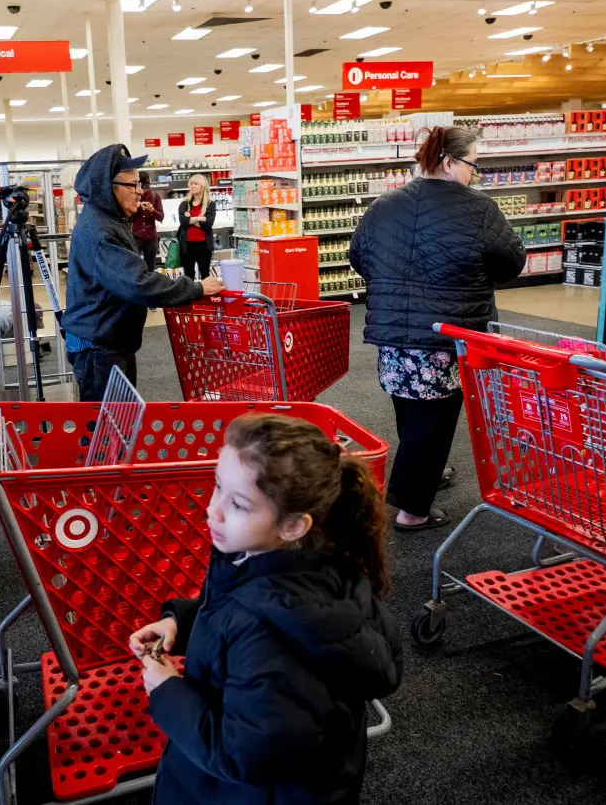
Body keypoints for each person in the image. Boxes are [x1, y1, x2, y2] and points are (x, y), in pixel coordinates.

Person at [129, 414, 402, 804]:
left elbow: (242, 755)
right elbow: (230, 609)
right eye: (217, 487)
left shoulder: (274, 639)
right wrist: (179, 622)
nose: (214, 511)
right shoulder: (278, 557)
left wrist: (168, 692)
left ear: (293, 526)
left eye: (238, 503)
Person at [349, 125, 525, 531]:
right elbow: (512, 262)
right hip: (446, 332)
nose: (474, 175)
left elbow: (358, 255)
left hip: (394, 331)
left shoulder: (385, 204)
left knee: (409, 407)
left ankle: (426, 475)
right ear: (448, 162)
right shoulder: (478, 208)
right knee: (435, 415)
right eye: (472, 166)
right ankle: (412, 510)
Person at [62, 144, 222, 400]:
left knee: (119, 421)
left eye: (140, 185)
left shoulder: (109, 219)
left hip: (107, 337)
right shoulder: (101, 231)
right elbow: (139, 284)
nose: (140, 193)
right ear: (108, 186)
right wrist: (196, 288)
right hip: (98, 345)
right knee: (104, 429)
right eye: (133, 186)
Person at [176, 173, 217, 281]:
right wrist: (199, 218)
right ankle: (191, 297)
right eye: (191, 184)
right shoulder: (184, 204)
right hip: (187, 246)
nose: (192, 186)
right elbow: (183, 221)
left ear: (202, 186)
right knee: (188, 275)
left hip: (204, 245)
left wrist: (191, 219)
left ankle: (205, 297)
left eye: (195, 184)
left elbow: (208, 224)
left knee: (205, 274)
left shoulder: (210, 204)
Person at [131, 171, 165, 271]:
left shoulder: (155, 196)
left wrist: (152, 210)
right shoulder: (132, 196)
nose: (144, 191)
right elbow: (126, 217)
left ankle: (150, 285)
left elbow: (161, 217)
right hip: (136, 236)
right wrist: (134, 208)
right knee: (134, 267)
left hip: (151, 238)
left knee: (150, 268)